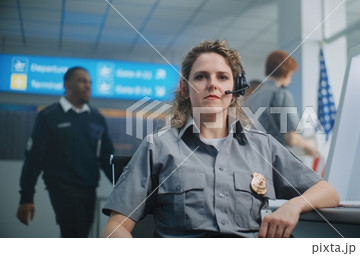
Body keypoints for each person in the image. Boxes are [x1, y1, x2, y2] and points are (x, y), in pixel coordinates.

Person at [101, 40, 339, 238]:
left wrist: (293, 206)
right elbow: (114, 230)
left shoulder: (262, 145)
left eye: (223, 77)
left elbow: (327, 191)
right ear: (185, 89)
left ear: (236, 88)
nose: (212, 84)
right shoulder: (159, 146)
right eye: (201, 77)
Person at [16, 66, 115, 238]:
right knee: (75, 232)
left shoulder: (96, 118)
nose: (88, 86)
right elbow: (34, 158)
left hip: (89, 188)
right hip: (62, 187)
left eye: (90, 82)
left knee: (81, 233)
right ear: (68, 85)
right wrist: (26, 197)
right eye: (82, 81)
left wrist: (123, 186)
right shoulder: (49, 116)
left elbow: (106, 157)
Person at [245, 50, 320, 158]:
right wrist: (309, 146)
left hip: (254, 157)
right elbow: (291, 138)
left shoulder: (252, 97)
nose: (290, 79)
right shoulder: (281, 94)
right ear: (287, 72)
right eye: (291, 74)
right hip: (274, 159)